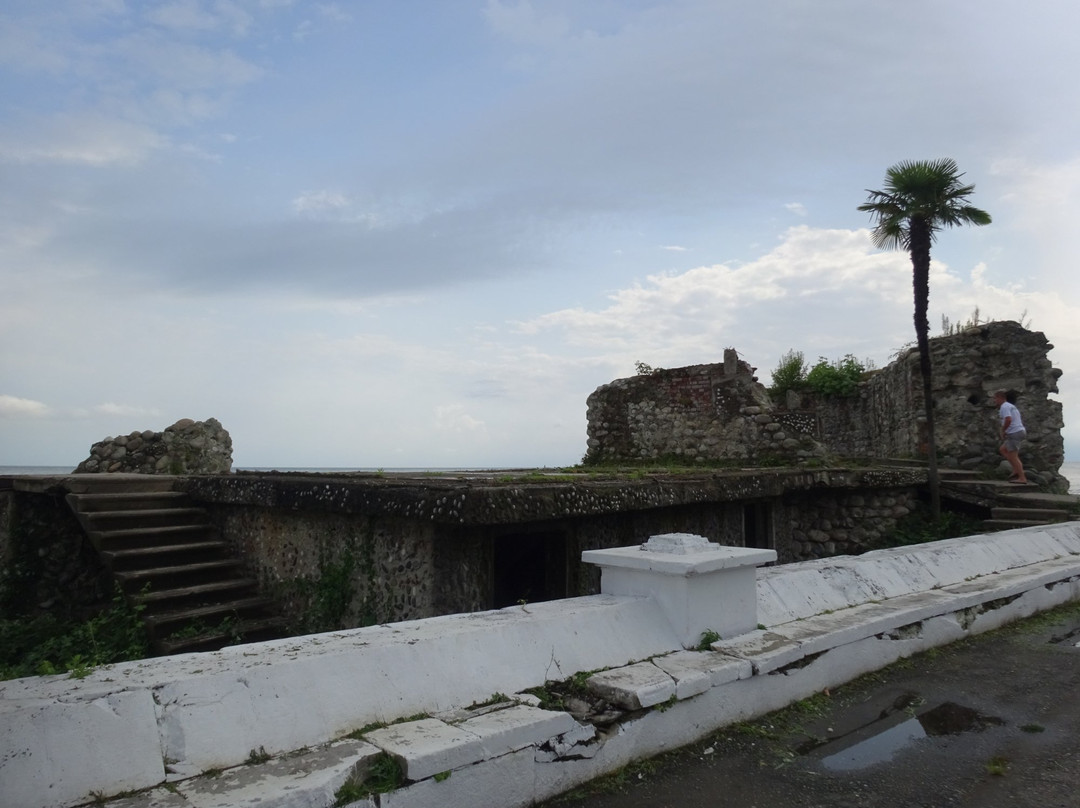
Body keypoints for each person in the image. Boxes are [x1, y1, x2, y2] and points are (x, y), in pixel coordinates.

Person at [994, 390, 1027, 484]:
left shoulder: (1004, 407)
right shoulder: (1011, 406)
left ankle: (1022, 478)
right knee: (1003, 449)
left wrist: (1003, 430)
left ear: (1000, 398)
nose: (994, 401)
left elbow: (1008, 419)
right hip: (1018, 431)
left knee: (1014, 456)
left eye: (995, 398)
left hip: (1014, 433)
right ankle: (1016, 469)